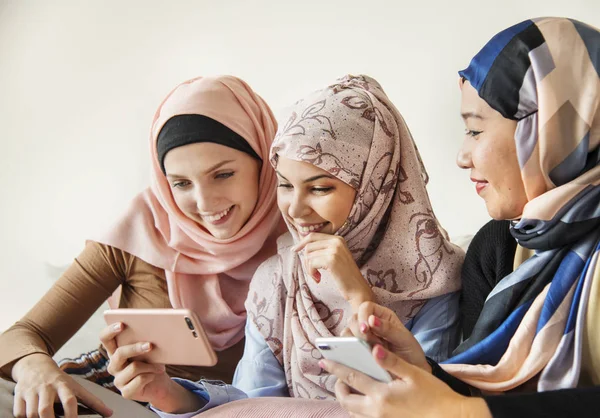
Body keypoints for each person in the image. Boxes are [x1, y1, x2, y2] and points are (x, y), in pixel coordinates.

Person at [101, 74, 465, 416]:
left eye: (320, 188)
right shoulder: (277, 278)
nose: (294, 208)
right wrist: (167, 394)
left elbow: (420, 404)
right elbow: (254, 405)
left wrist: (358, 298)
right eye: (286, 185)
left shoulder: (433, 277)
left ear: (377, 184)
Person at [323, 17, 600, 418]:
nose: (461, 157)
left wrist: (457, 413)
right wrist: (422, 370)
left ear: (547, 129)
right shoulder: (501, 245)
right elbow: (484, 398)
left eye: (474, 131)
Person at [0, 75, 285, 418]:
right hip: (109, 395)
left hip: (221, 409)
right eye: (180, 183)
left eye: (223, 174)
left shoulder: (302, 242)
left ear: (265, 163)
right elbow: (23, 334)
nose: (204, 202)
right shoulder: (140, 229)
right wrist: (33, 367)